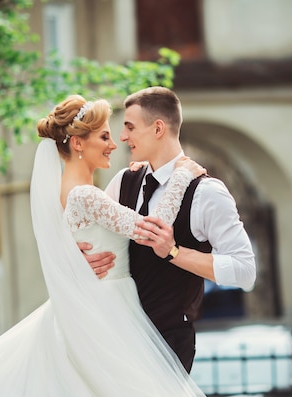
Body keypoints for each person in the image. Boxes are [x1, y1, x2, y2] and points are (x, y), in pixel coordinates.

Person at [0, 95, 221, 397]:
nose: (114, 143)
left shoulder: (80, 193)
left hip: (105, 299)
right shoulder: (85, 195)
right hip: (107, 307)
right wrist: (182, 174)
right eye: (104, 136)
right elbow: (153, 230)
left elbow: (95, 233)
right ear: (78, 143)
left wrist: (75, 261)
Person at [80, 86, 256, 373]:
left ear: (158, 128)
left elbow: (246, 270)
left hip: (168, 343)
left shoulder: (208, 193)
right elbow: (94, 239)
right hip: (117, 336)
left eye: (129, 127)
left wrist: (174, 252)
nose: (123, 137)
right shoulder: (124, 181)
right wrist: (84, 255)